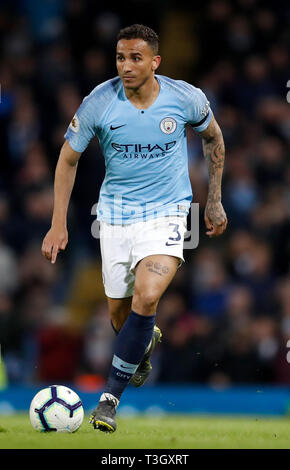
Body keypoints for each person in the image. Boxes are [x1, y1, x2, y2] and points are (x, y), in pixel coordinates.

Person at [41, 24, 228, 433]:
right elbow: (66, 160)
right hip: (115, 217)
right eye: (121, 58)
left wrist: (212, 199)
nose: (126, 66)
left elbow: (213, 138)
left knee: (147, 295)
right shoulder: (99, 102)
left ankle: (108, 400)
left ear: (155, 62)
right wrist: (58, 224)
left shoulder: (184, 97)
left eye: (136, 58)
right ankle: (144, 341)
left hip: (168, 214)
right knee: (119, 314)